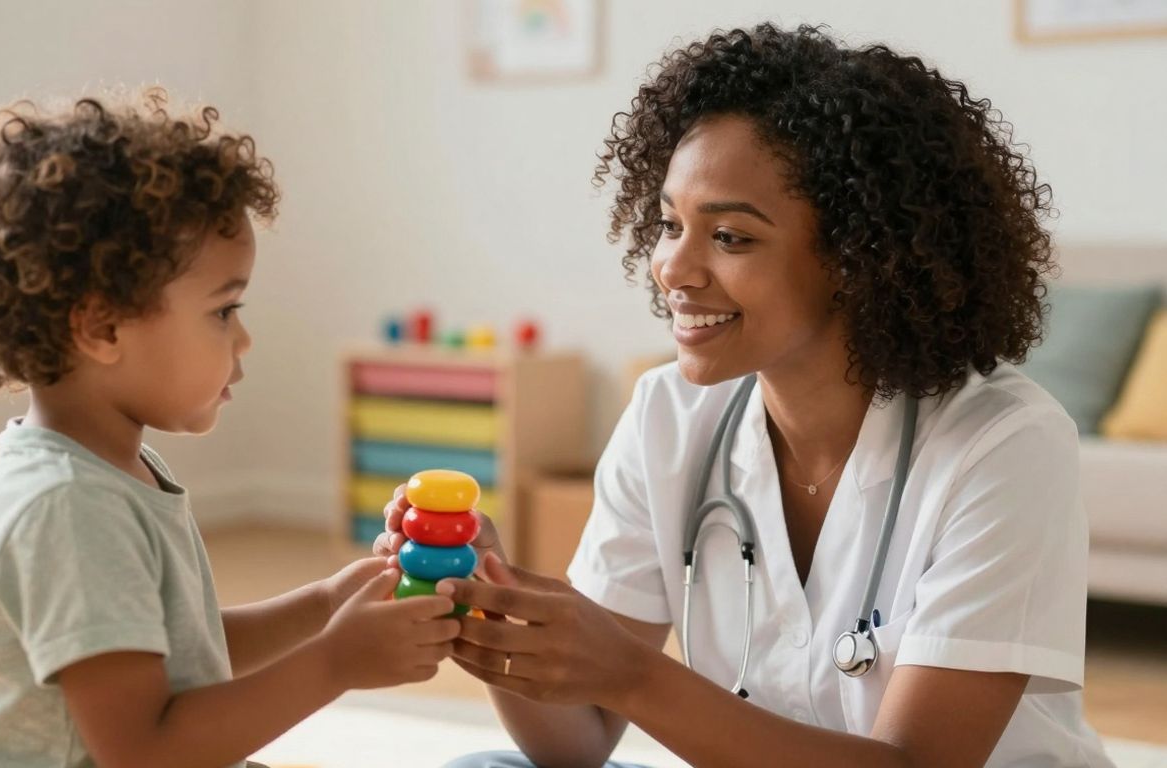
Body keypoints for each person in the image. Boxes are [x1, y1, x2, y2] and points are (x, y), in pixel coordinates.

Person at [378, 23, 1112, 768]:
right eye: (670, 224)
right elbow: (576, 743)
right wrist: (492, 605)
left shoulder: (1006, 445)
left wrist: (632, 674)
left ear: (858, 257)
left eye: (730, 237)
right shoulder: (668, 415)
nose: (673, 268)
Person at [0, 88, 459, 768]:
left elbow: (177, 654)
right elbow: (145, 750)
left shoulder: (108, 472)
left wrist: (326, 604)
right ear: (102, 326)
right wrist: (334, 664)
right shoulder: (69, 505)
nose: (245, 338)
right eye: (223, 311)